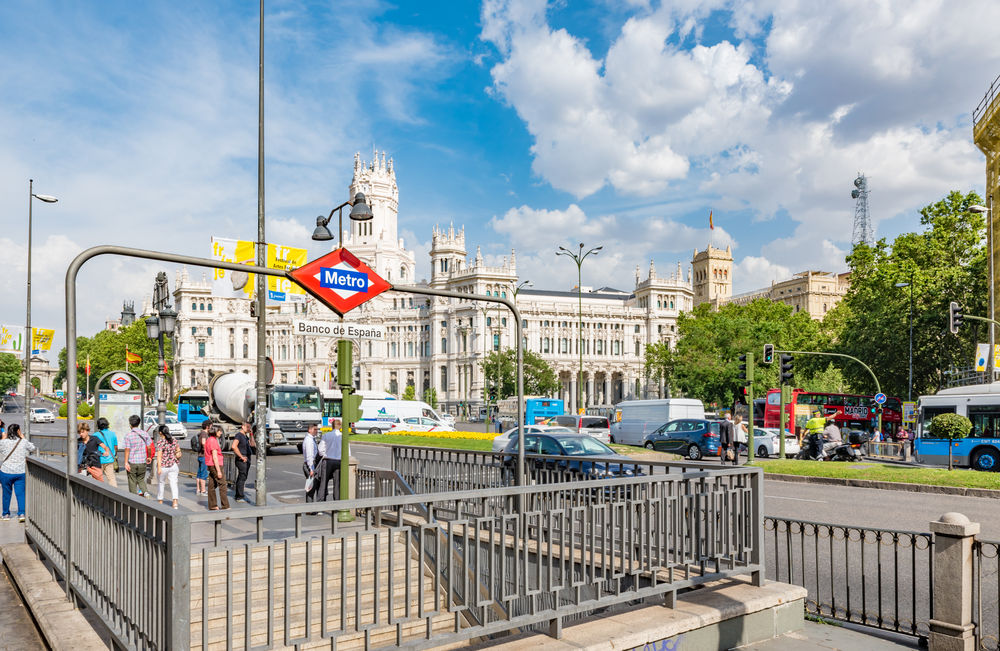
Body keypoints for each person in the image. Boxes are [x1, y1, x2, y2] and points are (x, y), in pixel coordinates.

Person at [0, 424, 36, 522]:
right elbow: (33, 448)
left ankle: (6, 514)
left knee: (6, 494)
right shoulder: (23, 442)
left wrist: (3, 438)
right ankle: (21, 514)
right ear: (18, 431)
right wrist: (23, 437)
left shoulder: (3, 442)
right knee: (20, 494)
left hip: (5, 472)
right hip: (20, 472)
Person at [122, 414, 152, 496]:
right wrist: (149, 456)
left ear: (130, 424)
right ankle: (145, 492)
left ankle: (133, 497)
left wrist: (126, 462)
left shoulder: (128, 435)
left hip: (132, 462)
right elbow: (149, 447)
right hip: (142, 461)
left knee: (132, 480)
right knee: (141, 479)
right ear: (139, 423)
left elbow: (127, 449)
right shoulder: (145, 434)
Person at [317, 419, 345, 500]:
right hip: (339, 461)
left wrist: (324, 455)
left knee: (323, 483)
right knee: (337, 484)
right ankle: (336, 504)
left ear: (332, 426)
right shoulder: (343, 436)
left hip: (328, 460)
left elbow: (320, 450)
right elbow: (347, 452)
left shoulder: (326, 435)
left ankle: (320, 504)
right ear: (340, 426)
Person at [154, 424, 181, 509]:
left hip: (163, 466)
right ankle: (175, 502)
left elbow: (159, 456)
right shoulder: (174, 440)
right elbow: (178, 452)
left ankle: (160, 501)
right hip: (173, 465)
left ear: (160, 433)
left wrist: (158, 467)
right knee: (174, 483)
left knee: (161, 483)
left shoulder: (161, 442)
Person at [203, 425, 229, 510]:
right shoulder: (213, 441)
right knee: (222, 484)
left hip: (210, 464)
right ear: (215, 431)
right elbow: (215, 457)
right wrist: (219, 471)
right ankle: (225, 505)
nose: (221, 433)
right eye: (219, 431)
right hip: (215, 465)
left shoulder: (209, 440)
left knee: (211, 485)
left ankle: (213, 505)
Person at [232, 421, 254, 503]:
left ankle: (239, 494)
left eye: (250, 427)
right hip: (242, 459)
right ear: (243, 426)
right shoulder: (239, 435)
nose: (249, 429)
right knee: (242, 477)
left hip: (247, 458)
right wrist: (241, 456)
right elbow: (233, 446)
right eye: (248, 427)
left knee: (243, 477)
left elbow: (252, 445)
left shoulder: (245, 436)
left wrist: (251, 434)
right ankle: (239, 496)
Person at [93, 417, 119, 487]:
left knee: (98, 478)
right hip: (110, 459)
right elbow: (115, 447)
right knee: (111, 478)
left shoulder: (95, 435)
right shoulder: (112, 434)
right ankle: (115, 493)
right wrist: (114, 454)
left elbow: (93, 448)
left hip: (99, 460)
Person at [302, 423, 321, 505]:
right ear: (309, 430)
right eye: (315, 429)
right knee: (311, 488)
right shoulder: (309, 441)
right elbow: (310, 455)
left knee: (312, 486)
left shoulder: (311, 439)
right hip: (310, 465)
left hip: (311, 465)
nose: (316, 431)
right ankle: (309, 508)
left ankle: (310, 508)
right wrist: (311, 469)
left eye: (317, 429)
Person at [191, 421, 210, 496]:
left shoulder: (200, 433)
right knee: (204, 474)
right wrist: (207, 452)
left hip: (200, 455)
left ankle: (198, 489)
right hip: (203, 456)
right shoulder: (204, 434)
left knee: (199, 473)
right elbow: (203, 442)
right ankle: (203, 490)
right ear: (208, 426)